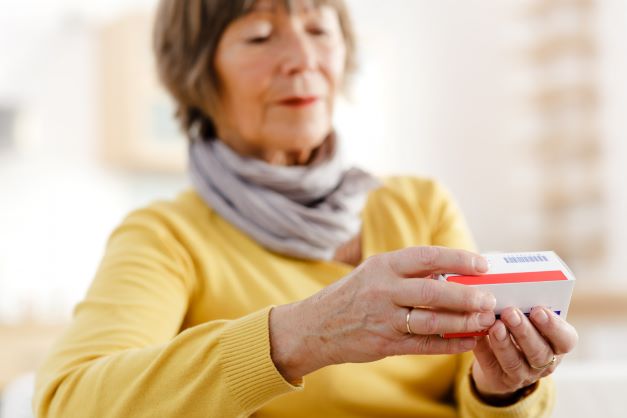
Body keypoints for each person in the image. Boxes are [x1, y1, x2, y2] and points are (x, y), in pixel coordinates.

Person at [33, 0, 578, 417]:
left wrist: (505, 387)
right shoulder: (167, 236)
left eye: (320, 30)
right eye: (261, 36)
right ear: (198, 75)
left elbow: (476, 396)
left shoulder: (420, 204)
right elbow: (68, 401)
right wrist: (301, 335)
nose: (303, 59)